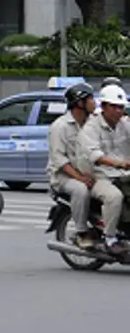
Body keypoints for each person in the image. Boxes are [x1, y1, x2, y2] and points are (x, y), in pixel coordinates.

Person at [48, 83, 102, 249]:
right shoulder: (60, 126)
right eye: (90, 99)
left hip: (89, 172)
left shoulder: (94, 123)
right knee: (81, 189)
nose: (94, 102)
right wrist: (80, 178)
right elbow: (58, 159)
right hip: (63, 176)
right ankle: (81, 233)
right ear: (79, 103)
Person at [79, 83, 130, 255]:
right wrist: (119, 163)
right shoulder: (91, 127)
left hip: (123, 174)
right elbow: (96, 156)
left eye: (121, 107)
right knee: (114, 197)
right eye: (114, 106)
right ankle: (110, 238)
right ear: (104, 106)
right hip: (99, 176)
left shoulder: (125, 124)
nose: (118, 111)